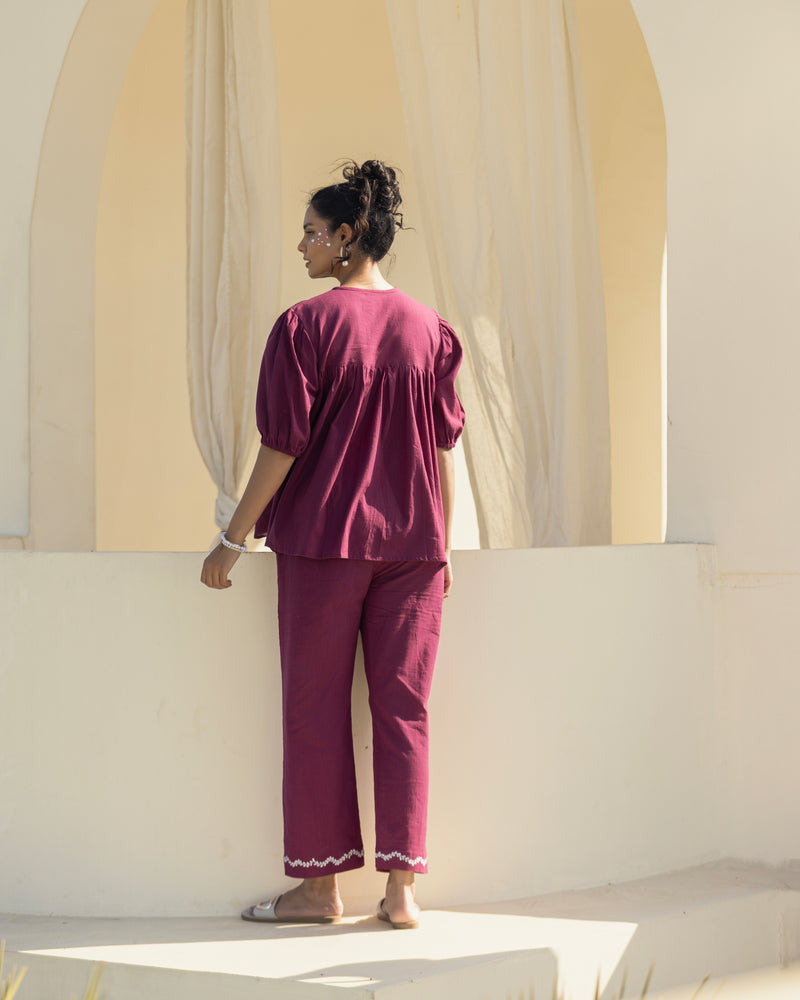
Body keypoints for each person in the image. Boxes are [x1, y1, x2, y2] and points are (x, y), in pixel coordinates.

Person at [201, 159, 465, 930]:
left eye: (313, 233)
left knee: (314, 709)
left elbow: (281, 446)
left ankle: (320, 891)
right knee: (404, 711)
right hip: (416, 545)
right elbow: (443, 449)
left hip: (324, 543)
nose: (303, 247)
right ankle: (401, 890)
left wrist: (232, 537)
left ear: (349, 238)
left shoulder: (304, 327)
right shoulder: (431, 330)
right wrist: (442, 548)